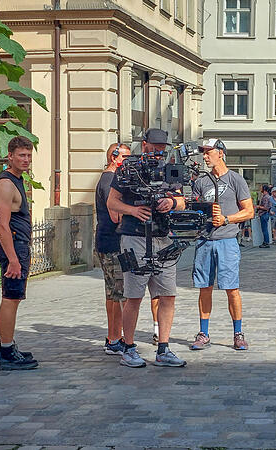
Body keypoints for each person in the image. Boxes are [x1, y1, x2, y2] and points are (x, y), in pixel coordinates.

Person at [107, 128, 187, 368]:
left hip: (162, 236)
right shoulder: (127, 168)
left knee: (168, 295)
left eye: (162, 148)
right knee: (134, 296)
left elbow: (182, 201)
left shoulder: (169, 170)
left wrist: (171, 202)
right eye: (154, 147)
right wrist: (133, 210)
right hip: (135, 236)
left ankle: (163, 348)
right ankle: (129, 348)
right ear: (144, 145)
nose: (158, 152)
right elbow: (112, 201)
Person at [189, 138, 254, 352]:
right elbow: (194, 210)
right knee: (204, 288)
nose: (205, 156)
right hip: (205, 240)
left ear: (221, 153)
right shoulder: (201, 181)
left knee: (231, 288)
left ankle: (238, 333)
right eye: (204, 152)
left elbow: (249, 211)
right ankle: (203, 333)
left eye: (208, 152)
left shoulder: (236, 180)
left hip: (227, 240)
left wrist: (226, 219)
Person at [0, 136, 39, 370]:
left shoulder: (17, 180)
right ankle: (6, 352)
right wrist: (12, 259)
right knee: (10, 298)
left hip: (19, 246)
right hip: (13, 247)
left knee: (15, 298)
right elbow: (2, 225)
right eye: (21, 155)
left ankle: (9, 346)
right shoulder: (6, 184)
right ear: (10, 156)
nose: (26, 160)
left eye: (29, 155)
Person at [95, 143, 131, 356]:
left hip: (107, 241)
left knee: (113, 293)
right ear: (114, 158)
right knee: (119, 293)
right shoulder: (109, 180)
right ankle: (115, 338)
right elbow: (115, 215)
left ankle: (114, 337)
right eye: (125, 158)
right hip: (112, 243)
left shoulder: (109, 178)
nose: (128, 162)